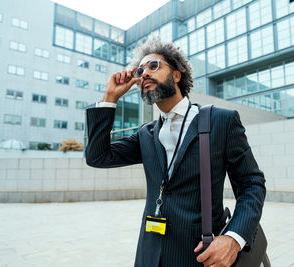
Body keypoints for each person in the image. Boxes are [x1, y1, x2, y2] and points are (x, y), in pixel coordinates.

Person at [85, 36, 266, 267]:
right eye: (140, 70)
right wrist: (110, 98)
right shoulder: (145, 134)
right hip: (149, 255)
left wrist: (233, 238)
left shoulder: (221, 121)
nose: (145, 73)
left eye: (154, 66)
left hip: (200, 256)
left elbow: (252, 183)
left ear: (177, 75)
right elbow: (97, 156)